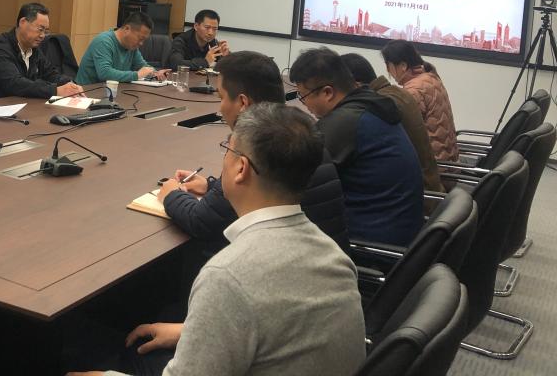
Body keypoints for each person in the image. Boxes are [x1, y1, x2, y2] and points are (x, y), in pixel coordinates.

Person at [69, 104, 366, 376]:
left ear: (241, 168)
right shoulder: (332, 254)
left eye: (227, 148)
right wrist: (192, 331)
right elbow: (286, 325)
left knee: (99, 354)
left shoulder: (228, 274)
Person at [161, 51, 348, 255]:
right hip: (322, 257)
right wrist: (210, 186)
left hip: (285, 266)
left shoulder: (261, 144)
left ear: (243, 103)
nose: (220, 107)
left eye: (221, 97)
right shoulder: (297, 129)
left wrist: (172, 194)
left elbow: (201, 221)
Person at [289, 47, 423, 246]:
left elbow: (291, 181)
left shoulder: (345, 122)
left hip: (369, 244)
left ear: (327, 92)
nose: (304, 104)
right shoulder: (372, 104)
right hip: (401, 232)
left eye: (303, 96)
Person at [341, 52, 444, 194]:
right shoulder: (398, 92)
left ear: (355, 85)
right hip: (429, 181)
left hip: (418, 192)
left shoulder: (381, 104)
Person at [0, 2, 83, 100]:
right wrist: (55, 91)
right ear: (23, 22)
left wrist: (70, 84)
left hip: (20, 105)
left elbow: (50, 73)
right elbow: (16, 84)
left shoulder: (33, 49)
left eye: (46, 31)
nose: (43, 36)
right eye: (40, 29)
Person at [381, 39, 459, 162]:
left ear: (403, 66)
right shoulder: (431, 77)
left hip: (433, 168)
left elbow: (401, 131)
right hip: (448, 161)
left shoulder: (414, 90)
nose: (388, 71)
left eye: (388, 65)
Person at [76, 12, 160, 85]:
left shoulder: (131, 46)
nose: (141, 43)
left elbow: (142, 66)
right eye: (140, 38)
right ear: (127, 29)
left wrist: (156, 73)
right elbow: (105, 73)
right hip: (87, 92)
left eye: (144, 40)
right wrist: (136, 75)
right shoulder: (103, 41)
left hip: (111, 91)